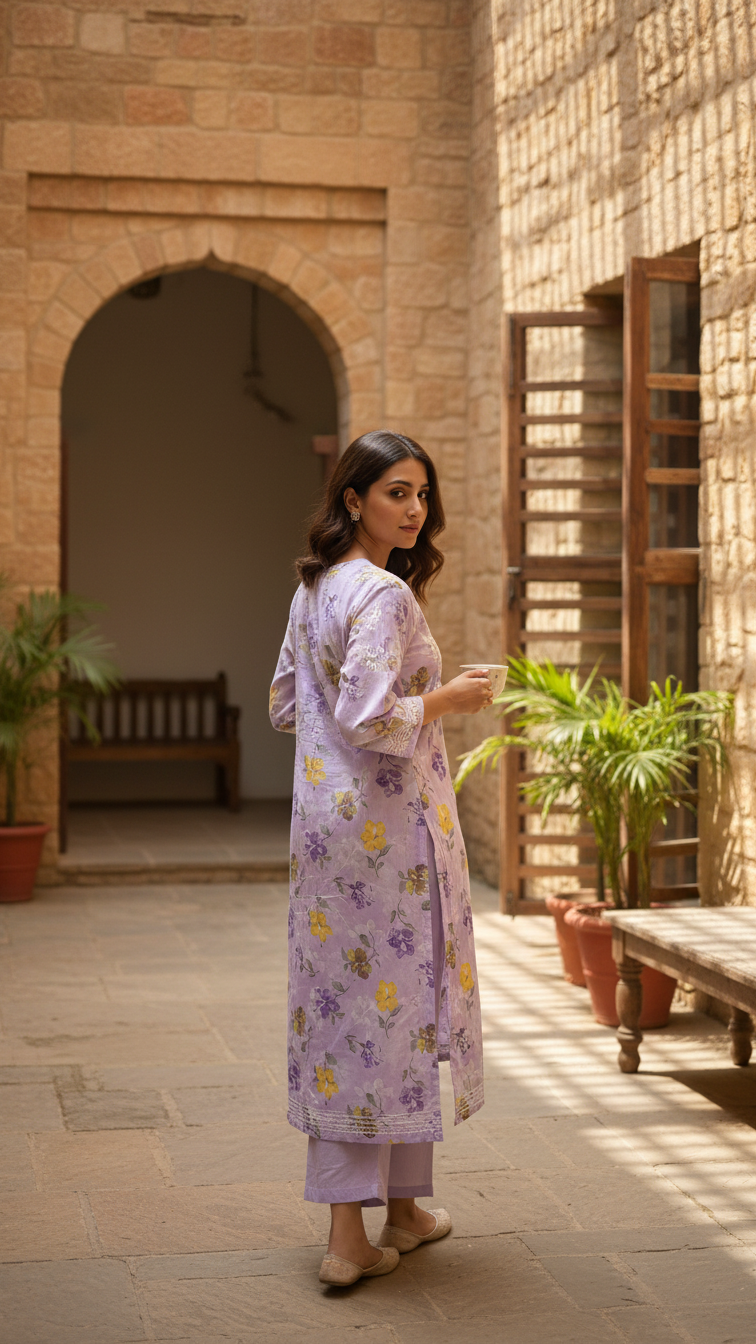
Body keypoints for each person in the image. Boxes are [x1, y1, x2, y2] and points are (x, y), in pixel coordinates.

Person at [269, 429, 489, 1287]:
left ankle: (399, 1210)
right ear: (352, 499)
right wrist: (451, 697)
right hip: (388, 842)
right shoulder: (382, 597)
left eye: (422, 494)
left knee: (363, 1011)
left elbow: (292, 705)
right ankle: (346, 1238)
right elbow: (368, 716)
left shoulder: (315, 587)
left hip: (327, 834)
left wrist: (364, 718)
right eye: (396, 492)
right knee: (384, 1015)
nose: (414, 509)